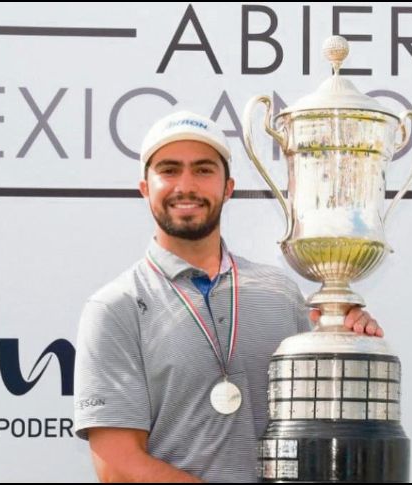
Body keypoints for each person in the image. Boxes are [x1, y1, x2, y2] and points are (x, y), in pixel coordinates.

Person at [73, 110, 383, 483]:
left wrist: (348, 337)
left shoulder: (282, 294)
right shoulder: (115, 307)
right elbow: (118, 467)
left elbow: (323, 420)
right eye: (169, 170)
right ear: (145, 188)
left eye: (203, 170)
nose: (186, 186)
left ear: (228, 187)